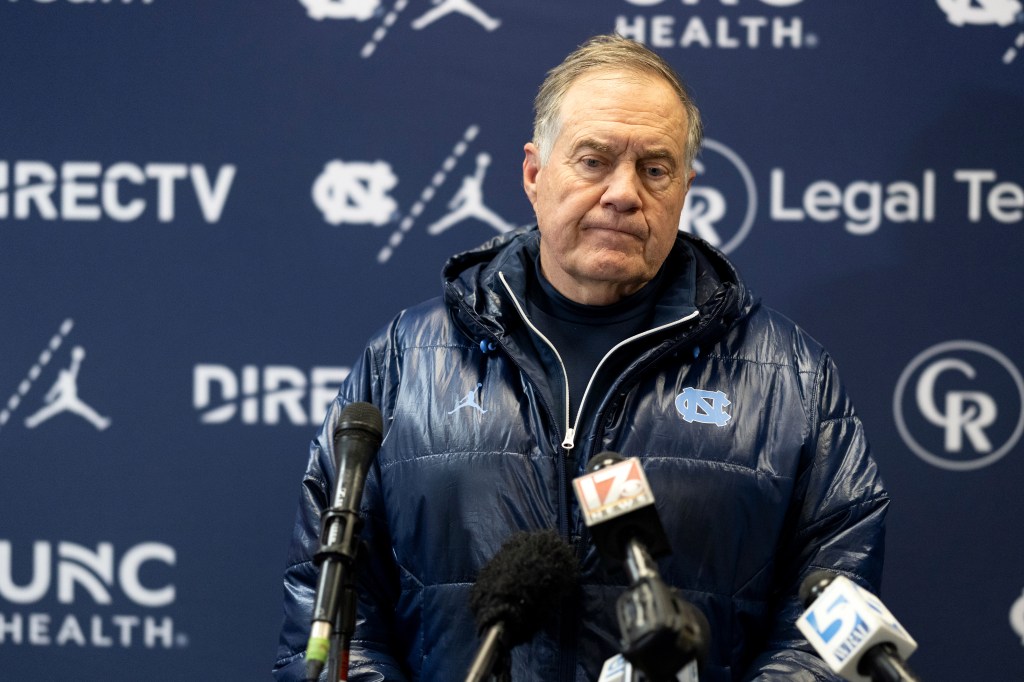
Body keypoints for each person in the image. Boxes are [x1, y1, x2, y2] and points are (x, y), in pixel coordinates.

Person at [273, 34, 889, 681]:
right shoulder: (403, 361)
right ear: (534, 174)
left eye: (655, 169)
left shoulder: (791, 378)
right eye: (594, 161)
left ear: (685, 188)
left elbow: (829, 617)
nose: (623, 193)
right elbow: (332, 611)